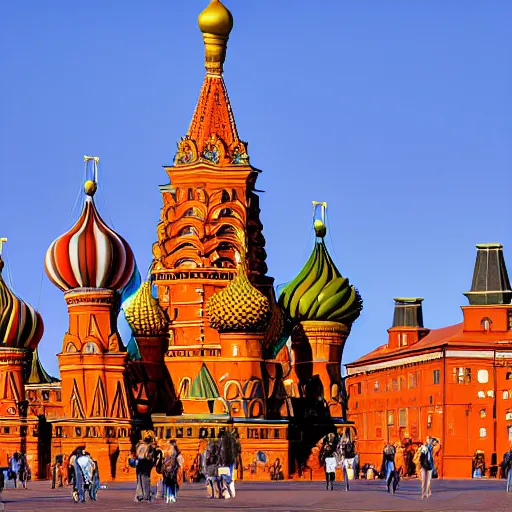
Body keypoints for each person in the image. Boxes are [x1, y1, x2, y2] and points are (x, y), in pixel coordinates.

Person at [134, 433, 156, 502]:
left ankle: (139, 495)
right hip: (145, 463)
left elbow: (137, 454)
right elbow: (148, 456)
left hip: (139, 463)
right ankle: (146, 495)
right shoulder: (149, 447)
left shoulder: (139, 446)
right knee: (146, 480)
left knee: (139, 480)